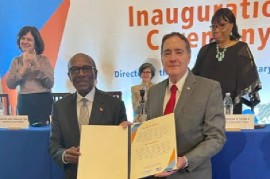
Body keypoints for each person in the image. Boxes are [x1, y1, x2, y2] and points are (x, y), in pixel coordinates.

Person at [146, 32, 226, 179]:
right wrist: (131, 132)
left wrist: (185, 161)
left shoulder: (209, 89)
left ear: (189, 56)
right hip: (157, 174)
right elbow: (149, 132)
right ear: (162, 59)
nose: (172, 58)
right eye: (167, 53)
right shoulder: (153, 92)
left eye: (179, 52)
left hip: (191, 174)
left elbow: (216, 138)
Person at [49, 53, 129, 179]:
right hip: (73, 174)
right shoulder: (59, 107)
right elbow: (54, 146)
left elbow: (122, 148)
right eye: (75, 70)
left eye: (86, 69)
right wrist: (64, 155)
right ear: (69, 76)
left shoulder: (115, 105)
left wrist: (127, 133)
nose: (81, 74)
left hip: (106, 174)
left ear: (95, 73)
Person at [192, 8, 261, 114]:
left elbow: (249, 78)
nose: (216, 29)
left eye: (221, 25)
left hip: (231, 108)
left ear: (231, 26)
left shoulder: (241, 49)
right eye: (214, 26)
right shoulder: (205, 50)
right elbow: (194, 78)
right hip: (206, 109)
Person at [6, 26, 54, 125]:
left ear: (35, 42)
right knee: (25, 134)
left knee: (43, 133)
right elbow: (10, 85)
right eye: (23, 38)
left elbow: (50, 83)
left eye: (29, 39)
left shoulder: (43, 60)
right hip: (24, 101)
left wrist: (37, 67)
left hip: (43, 100)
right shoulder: (16, 61)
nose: (25, 42)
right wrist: (23, 70)